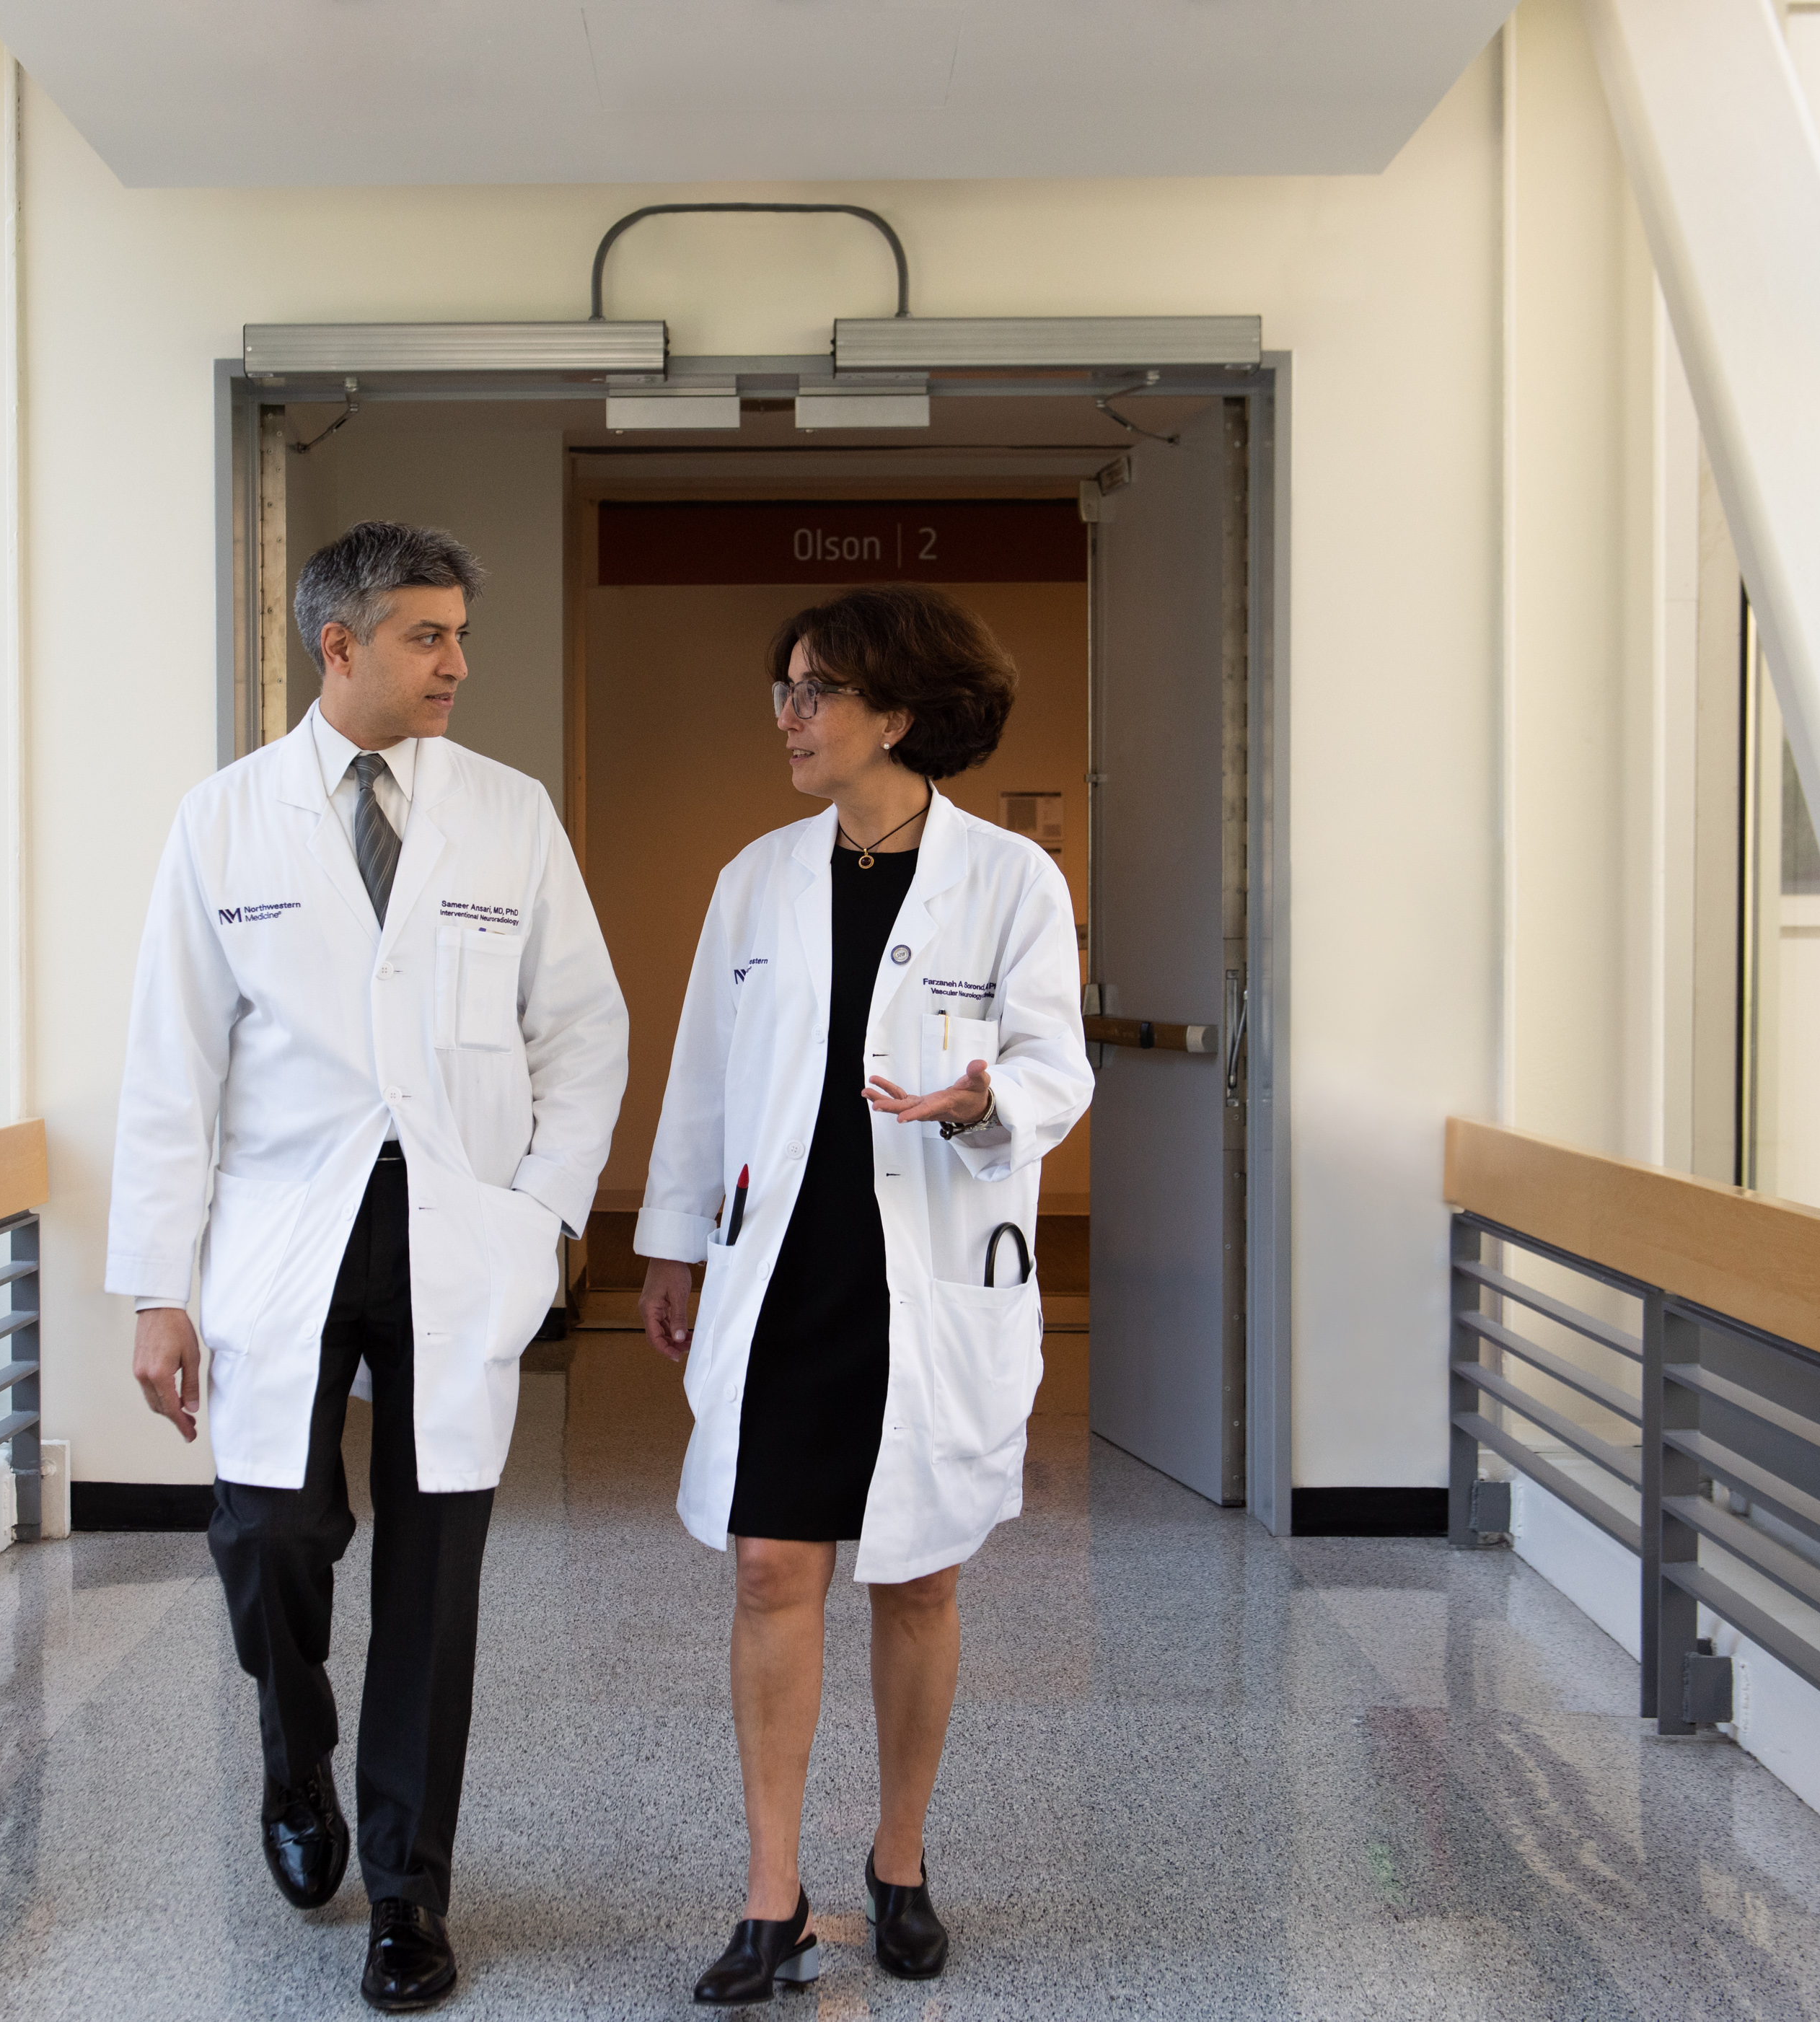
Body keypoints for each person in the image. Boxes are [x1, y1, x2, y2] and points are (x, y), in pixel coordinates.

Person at [110, 521, 628, 2014]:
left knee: (435, 1565)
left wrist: (542, 1220)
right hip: (285, 1229)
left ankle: (408, 1885)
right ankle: (295, 1749)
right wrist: (161, 1286)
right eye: (425, 636)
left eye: (462, 633)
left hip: (460, 1230)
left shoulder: (510, 815)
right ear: (337, 647)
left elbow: (584, 1031)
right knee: (267, 1526)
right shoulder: (224, 822)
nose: (458, 661)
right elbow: (171, 1065)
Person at [635, 582, 1093, 2006]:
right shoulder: (755, 878)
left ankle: (899, 1861)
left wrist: (980, 1098)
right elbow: (705, 1076)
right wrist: (668, 1242)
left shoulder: (1011, 880)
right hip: (787, 1274)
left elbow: (1057, 1069)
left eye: (815, 690)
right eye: (783, 687)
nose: (789, 714)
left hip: (928, 1272)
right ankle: (772, 1892)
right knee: (772, 1563)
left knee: (919, 1570)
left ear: (898, 713)